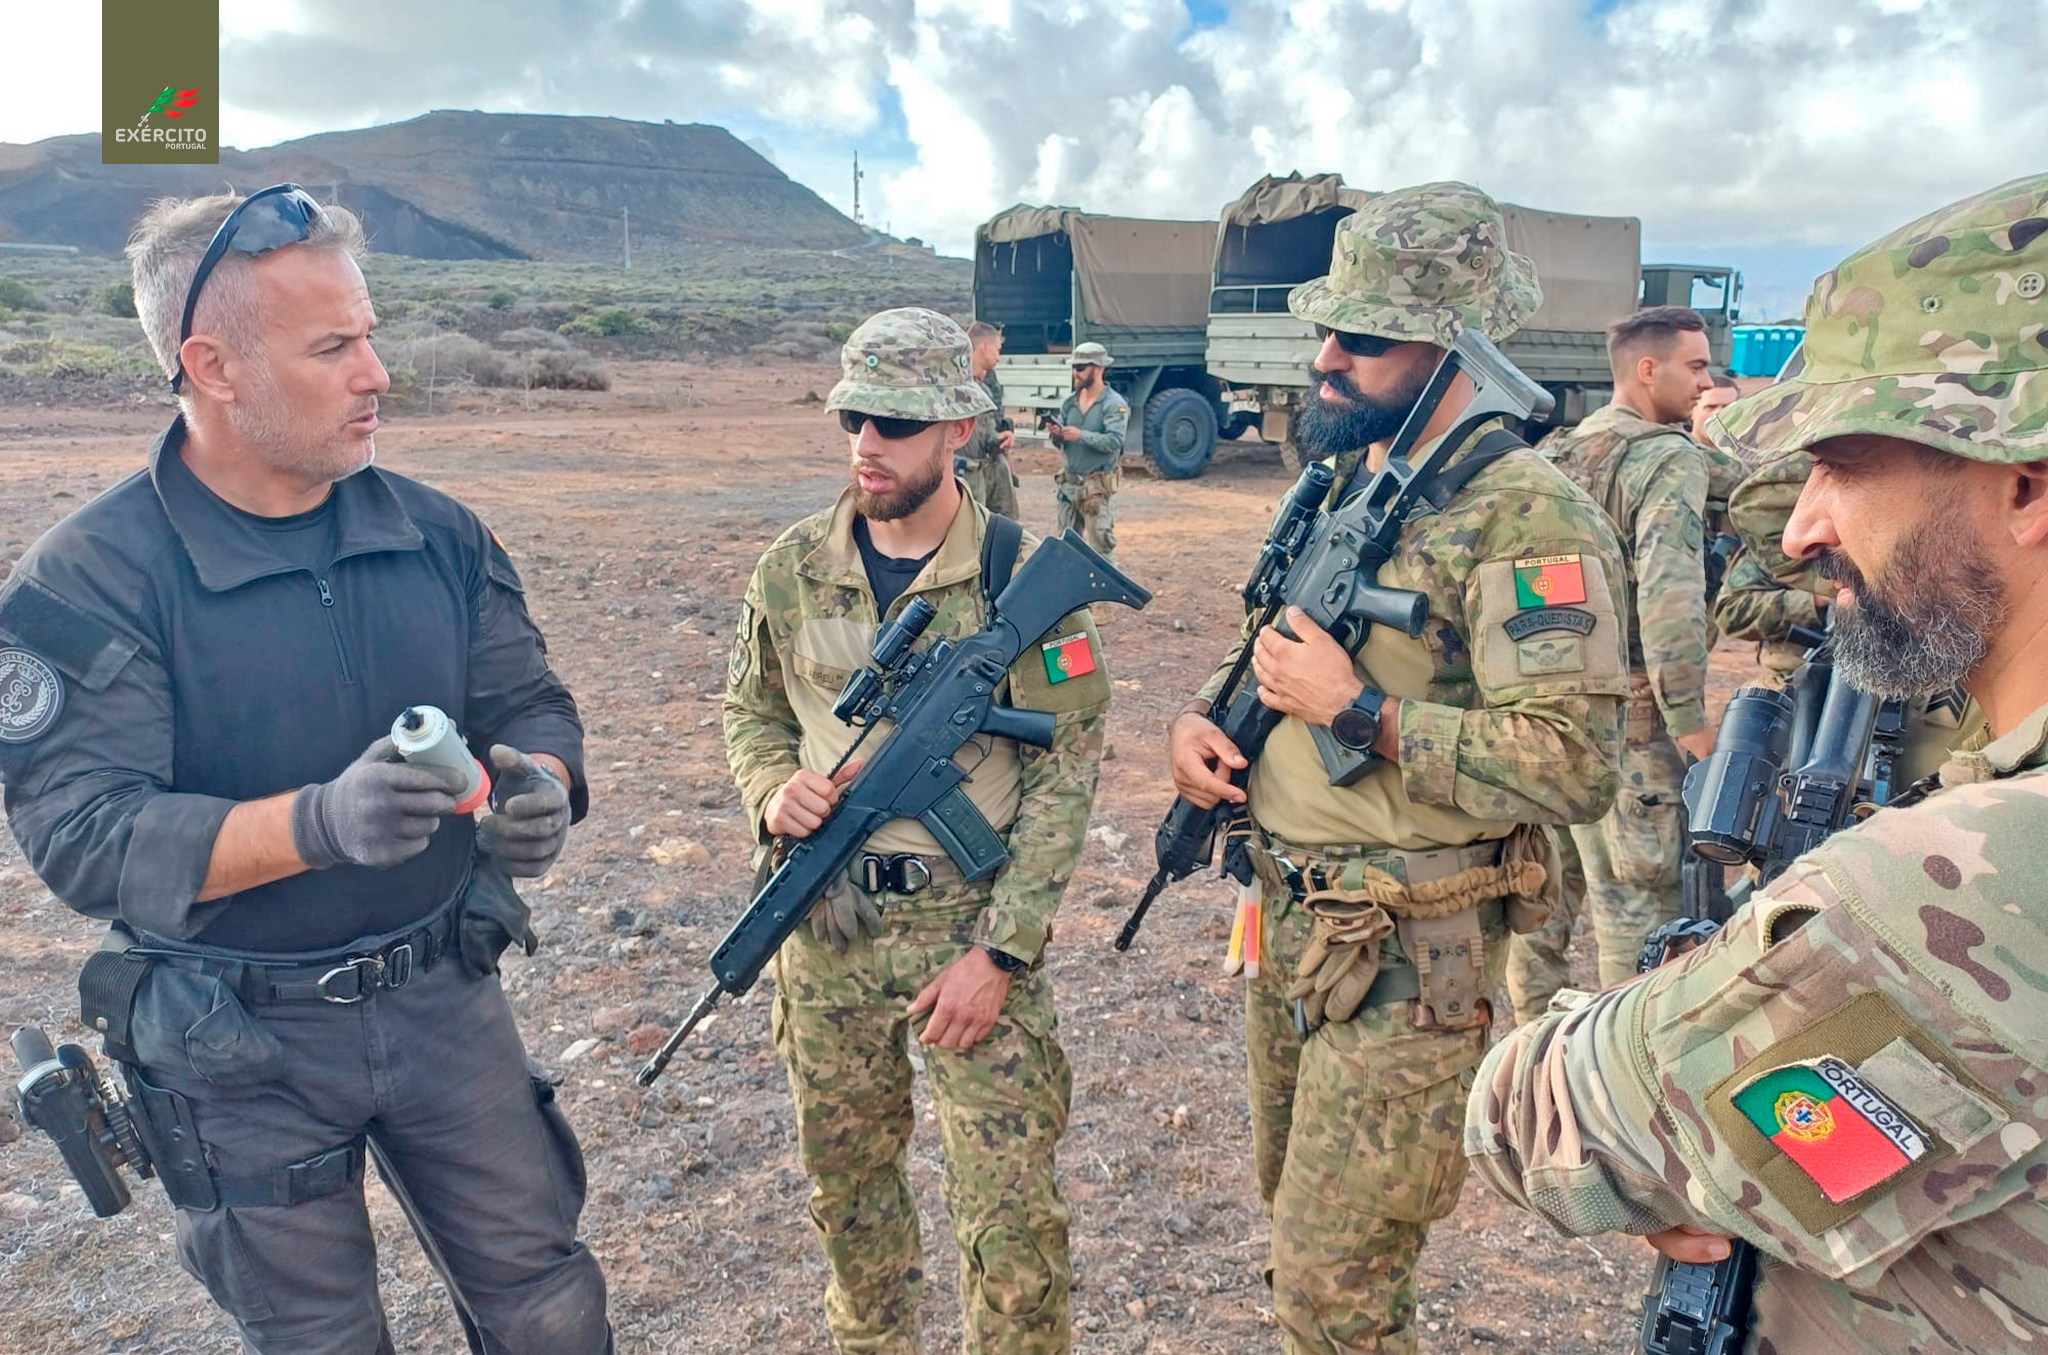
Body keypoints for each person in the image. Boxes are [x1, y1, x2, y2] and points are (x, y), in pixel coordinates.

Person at [0, 187, 608, 1352]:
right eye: (333, 347)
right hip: (237, 1042)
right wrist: (317, 823)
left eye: (369, 335)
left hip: (444, 996)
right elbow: (83, 835)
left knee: (548, 1305)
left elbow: (529, 703)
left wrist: (541, 782)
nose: (377, 373)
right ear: (212, 365)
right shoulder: (88, 582)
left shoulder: (436, 533)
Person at [1467, 172, 2048, 1354]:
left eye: (1840, 464)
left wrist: (1704, 990)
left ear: (2023, 484)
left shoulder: (1960, 878)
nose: (1799, 525)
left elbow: (1532, 1115)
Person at [1165, 181, 1628, 1355]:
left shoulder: (1529, 519)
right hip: (1297, 927)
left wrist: (1363, 715)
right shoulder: (1344, 479)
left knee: (1337, 1295)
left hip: (1409, 961)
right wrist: (1203, 724)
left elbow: (1574, 767)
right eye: (1326, 328)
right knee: (1300, 1246)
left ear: (1454, 346)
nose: (1325, 357)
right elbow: (1273, 644)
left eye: (1362, 338)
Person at [723, 307, 1112, 1355]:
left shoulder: (1021, 577)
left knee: (1011, 1223)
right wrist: (772, 789)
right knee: (849, 1200)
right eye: (853, 418)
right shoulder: (791, 566)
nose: (866, 443)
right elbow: (751, 711)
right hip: (826, 917)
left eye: (894, 423)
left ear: (957, 429)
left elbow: (1066, 772)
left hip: (967, 925)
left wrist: (1000, 950)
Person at [1506, 307, 1718, 1018]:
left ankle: (1529, 1051)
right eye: (1696, 366)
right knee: (1641, 910)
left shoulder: (1556, 455)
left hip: (1547, 708)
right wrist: (1689, 721)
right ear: (1647, 370)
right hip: (1632, 720)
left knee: (1539, 896)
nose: (1707, 382)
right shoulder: (1668, 458)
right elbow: (1669, 596)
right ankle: (1629, 1064)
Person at [1045, 342, 1126, 561]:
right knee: (1065, 549)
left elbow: (1115, 441)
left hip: (1096, 489)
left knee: (1101, 552)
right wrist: (1057, 434)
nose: (1075, 373)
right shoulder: (1069, 403)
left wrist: (1081, 435)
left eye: (1081, 368)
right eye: (1074, 367)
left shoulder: (1113, 404)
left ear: (1099, 369)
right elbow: (1061, 444)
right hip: (1069, 486)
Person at [959, 320, 1020, 518]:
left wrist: (999, 439)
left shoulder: (984, 390)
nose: (998, 356)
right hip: (962, 477)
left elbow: (985, 434)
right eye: (997, 349)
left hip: (983, 475)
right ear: (984, 348)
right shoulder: (956, 390)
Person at [1691, 370, 1740, 446]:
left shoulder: (1751, 451)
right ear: (1691, 411)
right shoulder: (1677, 451)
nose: (1719, 415)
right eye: (1711, 407)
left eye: (1728, 408)